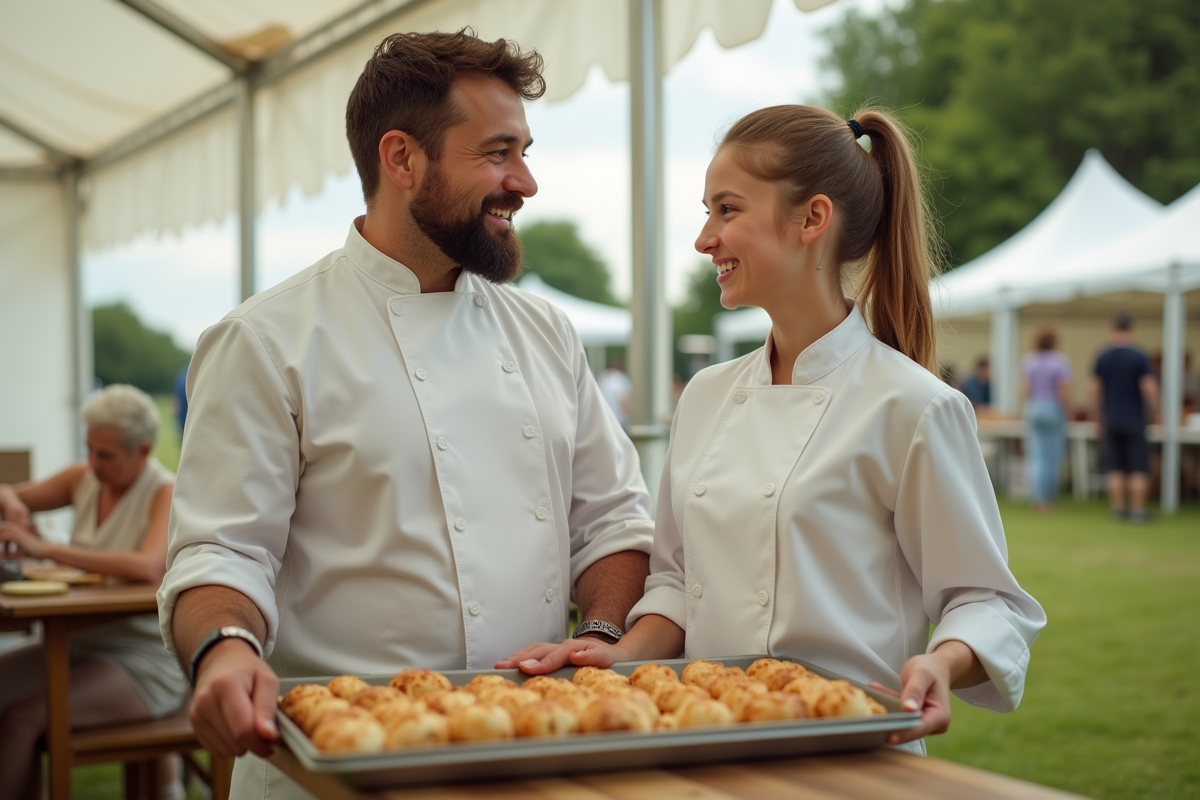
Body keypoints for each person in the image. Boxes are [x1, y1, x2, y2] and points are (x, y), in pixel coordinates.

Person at [158, 29, 654, 799]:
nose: (524, 181)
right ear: (401, 159)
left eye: (525, 152)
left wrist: (598, 635)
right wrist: (225, 650)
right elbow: (220, 554)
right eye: (497, 152)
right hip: (331, 765)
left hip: (525, 753)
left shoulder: (545, 334)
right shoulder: (266, 339)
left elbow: (616, 525)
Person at [509, 106, 1045, 754]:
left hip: (852, 759)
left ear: (812, 219)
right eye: (707, 211)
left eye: (727, 211)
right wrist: (616, 655)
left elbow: (989, 600)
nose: (706, 238)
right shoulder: (707, 396)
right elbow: (677, 583)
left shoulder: (913, 407)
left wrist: (941, 661)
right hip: (709, 744)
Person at [0, 385, 186, 800]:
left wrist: (45, 547)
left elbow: (147, 566)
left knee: (19, 720)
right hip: (76, 643)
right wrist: (11, 501)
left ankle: (166, 782)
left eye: (106, 455)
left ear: (143, 450)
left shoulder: (164, 491)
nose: (93, 464)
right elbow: (7, 491)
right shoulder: (82, 478)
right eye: (89, 449)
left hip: (141, 658)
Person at [1091, 314, 1159, 522]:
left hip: (1110, 416)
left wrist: (1096, 414)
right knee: (1138, 466)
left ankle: (1118, 509)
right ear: (1132, 328)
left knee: (1115, 466)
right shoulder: (1139, 356)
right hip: (1134, 417)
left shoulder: (1103, 356)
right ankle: (1138, 511)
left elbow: (1094, 388)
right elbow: (1149, 388)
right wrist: (1157, 412)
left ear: (1112, 328)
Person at [1021, 327, 1072, 513]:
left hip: (1034, 407)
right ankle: (1046, 499)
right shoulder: (1059, 362)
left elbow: (1025, 390)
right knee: (1052, 457)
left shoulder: (1029, 361)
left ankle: (1037, 498)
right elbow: (1063, 390)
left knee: (1036, 455)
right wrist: (1069, 410)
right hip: (1053, 408)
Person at [598, 357, 633, 428]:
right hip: (619, 420)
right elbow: (625, 402)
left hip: (604, 418)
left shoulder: (603, 378)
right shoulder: (621, 379)